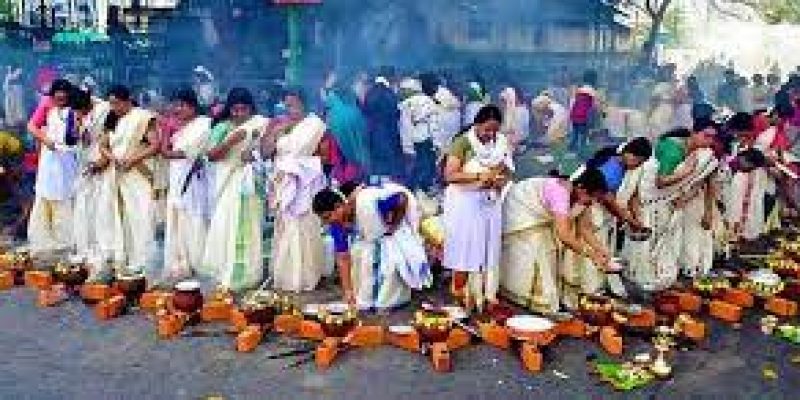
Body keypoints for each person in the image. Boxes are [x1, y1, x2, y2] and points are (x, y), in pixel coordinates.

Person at [501, 168, 612, 315]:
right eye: (591, 197)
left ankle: (550, 297)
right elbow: (564, 235)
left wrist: (601, 250)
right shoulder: (560, 193)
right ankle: (525, 297)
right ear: (581, 188)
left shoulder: (583, 198)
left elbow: (585, 229)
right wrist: (591, 254)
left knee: (551, 250)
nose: (592, 202)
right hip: (522, 210)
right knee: (537, 250)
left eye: (596, 199)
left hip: (539, 217)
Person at [313, 181, 432, 310]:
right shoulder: (336, 224)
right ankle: (367, 298)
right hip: (372, 236)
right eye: (324, 219)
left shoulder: (369, 203)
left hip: (391, 227)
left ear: (338, 206)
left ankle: (389, 300)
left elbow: (402, 198)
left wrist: (394, 224)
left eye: (327, 216)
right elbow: (342, 258)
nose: (327, 222)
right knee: (361, 256)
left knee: (387, 266)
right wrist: (348, 291)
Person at [442, 105, 513, 313]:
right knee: (466, 249)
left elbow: (507, 169)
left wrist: (500, 180)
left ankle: (485, 297)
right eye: (486, 130)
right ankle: (461, 294)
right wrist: (478, 176)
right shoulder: (462, 142)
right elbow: (450, 175)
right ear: (476, 124)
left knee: (487, 248)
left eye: (494, 130)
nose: (490, 135)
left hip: (489, 203)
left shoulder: (500, 143)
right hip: (464, 203)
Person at [201, 88, 269, 292]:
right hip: (228, 183)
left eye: (244, 110)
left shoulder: (260, 123)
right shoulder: (222, 127)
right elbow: (211, 156)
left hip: (249, 182)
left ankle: (250, 274)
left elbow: (266, 150)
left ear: (251, 109)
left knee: (250, 227)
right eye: (235, 110)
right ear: (229, 109)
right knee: (228, 226)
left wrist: (254, 154)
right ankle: (228, 271)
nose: (239, 114)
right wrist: (231, 141)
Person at [95, 84, 159, 277]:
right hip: (118, 174)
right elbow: (103, 146)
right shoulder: (112, 118)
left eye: (116, 103)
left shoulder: (143, 117)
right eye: (111, 103)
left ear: (127, 100)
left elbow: (155, 145)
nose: (113, 107)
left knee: (141, 216)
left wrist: (132, 159)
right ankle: (126, 258)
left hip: (139, 174)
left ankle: (144, 261)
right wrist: (113, 158)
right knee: (121, 217)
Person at [270, 112, 328, 292]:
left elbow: (324, 155)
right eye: (288, 105)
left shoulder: (314, 124)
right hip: (286, 179)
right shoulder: (282, 124)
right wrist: (277, 133)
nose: (290, 109)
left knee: (305, 225)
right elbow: (268, 151)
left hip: (305, 179)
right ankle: (287, 276)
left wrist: (300, 165)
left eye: (293, 104)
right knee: (287, 226)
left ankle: (307, 276)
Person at [162, 88, 213, 282]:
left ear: (192, 106)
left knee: (194, 218)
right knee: (179, 219)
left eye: (182, 105)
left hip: (193, 181)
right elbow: (166, 150)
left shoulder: (203, 124)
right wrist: (167, 128)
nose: (177, 109)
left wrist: (167, 149)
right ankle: (182, 262)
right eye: (176, 105)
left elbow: (180, 153)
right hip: (177, 178)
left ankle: (197, 262)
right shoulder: (183, 127)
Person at [26, 79, 79, 254]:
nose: (61, 96)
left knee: (67, 194)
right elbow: (31, 126)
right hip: (49, 158)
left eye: (64, 92)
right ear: (53, 94)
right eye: (58, 92)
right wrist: (45, 139)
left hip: (70, 158)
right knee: (46, 194)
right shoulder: (46, 105)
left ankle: (67, 241)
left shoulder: (76, 108)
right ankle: (45, 241)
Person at [71, 88, 111, 264]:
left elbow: (108, 137)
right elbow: (79, 137)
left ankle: (101, 248)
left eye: (81, 110)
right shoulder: (78, 111)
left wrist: (102, 161)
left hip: (102, 160)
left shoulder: (104, 110)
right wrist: (79, 122)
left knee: (100, 207)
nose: (79, 113)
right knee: (84, 206)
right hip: (85, 160)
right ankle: (85, 246)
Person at [399, 76, 441, 193]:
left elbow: (404, 126)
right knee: (425, 172)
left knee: (414, 171)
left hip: (411, 143)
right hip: (425, 142)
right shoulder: (428, 102)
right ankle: (422, 193)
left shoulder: (404, 104)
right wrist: (437, 144)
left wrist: (407, 146)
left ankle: (410, 192)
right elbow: (434, 126)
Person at [363, 73, 404, 180]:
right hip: (388, 134)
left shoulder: (369, 94)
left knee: (376, 164)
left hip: (372, 133)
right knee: (388, 166)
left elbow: (365, 113)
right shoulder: (390, 93)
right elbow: (396, 114)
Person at [531, 93, 569, 167]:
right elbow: (545, 124)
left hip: (560, 135)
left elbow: (552, 131)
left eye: (540, 111)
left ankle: (556, 160)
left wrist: (542, 141)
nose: (541, 113)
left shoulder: (557, 111)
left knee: (557, 151)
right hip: (555, 135)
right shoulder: (546, 108)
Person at [569, 70, 600, 156]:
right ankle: (581, 152)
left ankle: (571, 149)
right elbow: (595, 106)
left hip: (574, 115)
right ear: (594, 80)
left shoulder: (579, 90)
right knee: (583, 135)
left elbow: (573, 102)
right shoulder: (593, 92)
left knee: (575, 133)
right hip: (583, 117)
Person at [498, 87, 530, 153]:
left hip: (516, 141)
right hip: (515, 139)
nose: (505, 103)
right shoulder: (518, 109)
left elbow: (516, 131)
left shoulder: (519, 111)